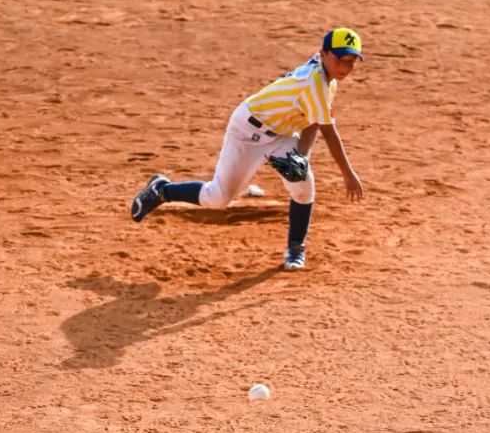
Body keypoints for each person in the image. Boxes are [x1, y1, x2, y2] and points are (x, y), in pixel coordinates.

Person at [130, 28, 365, 272]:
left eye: (351, 62)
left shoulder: (328, 79)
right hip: (245, 131)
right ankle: (162, 190)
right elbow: (328, 132)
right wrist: (348, 175)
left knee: (304, 186)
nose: (345, 68)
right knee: (218, 197)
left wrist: (301, 156)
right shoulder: (314, 83)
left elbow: (313, 121)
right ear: (323, 54)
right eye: (340, 60)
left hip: (279, 136)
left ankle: (295, 248)